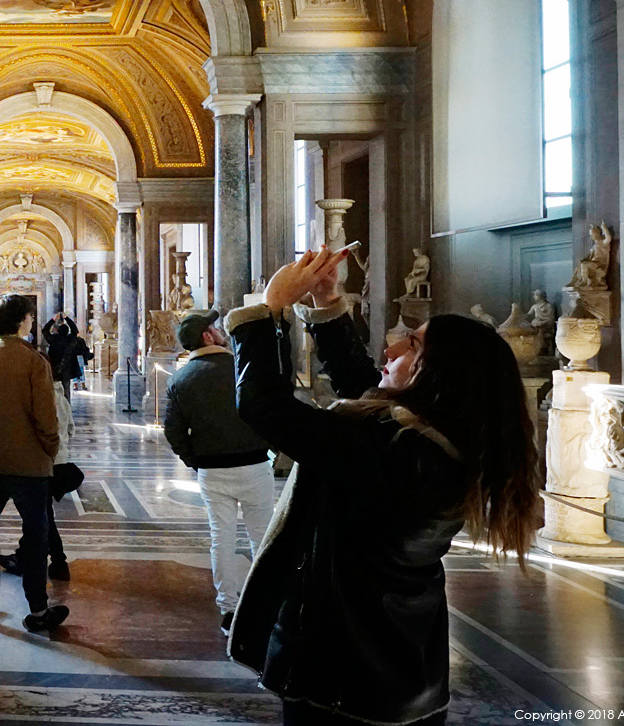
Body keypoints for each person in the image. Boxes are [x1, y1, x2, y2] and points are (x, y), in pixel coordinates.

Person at [225, 249, 540, 726]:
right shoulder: (438, 440)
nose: (391, 349)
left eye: (410, 344)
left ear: (433, 374)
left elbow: (266, 409)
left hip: (340, 673)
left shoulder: (393, 451)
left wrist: (266, 312)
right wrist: (328, 304)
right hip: (398, 662)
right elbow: (367, 391)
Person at [161, 309, 274, 635]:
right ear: (208, 336)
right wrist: (269, 446)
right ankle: (265, 603)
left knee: (220, 539)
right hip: (254, 464)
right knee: (262, 537)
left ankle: (228, 609)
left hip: (212, 472)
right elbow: (267, 410)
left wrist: (194, 460)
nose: (220, 330)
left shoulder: (180, 379)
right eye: (214, 326)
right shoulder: (241, 366)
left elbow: (174, 433)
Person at [0, 293, 67, 631]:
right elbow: (46, 419)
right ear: (22, 321)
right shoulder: (34, 361)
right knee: (35, 537)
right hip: (31, 465)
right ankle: (37, 611)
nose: (33, 322)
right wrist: (50, 449)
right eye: (30, 317)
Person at [0, 351, 74, 583]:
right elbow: (70, 429)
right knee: (39, 514)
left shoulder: (44, 395)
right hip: (57, 460)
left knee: (40, 516)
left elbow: (45, 432)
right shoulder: (59, 393)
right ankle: (34, 558)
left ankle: (54, 562)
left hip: (43, 462)